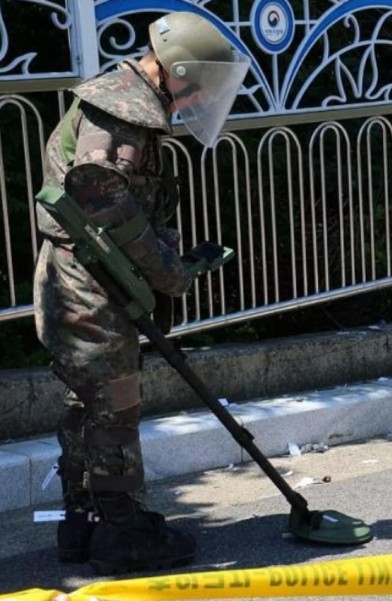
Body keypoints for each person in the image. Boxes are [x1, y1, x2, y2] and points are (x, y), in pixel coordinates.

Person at [33, 11, 248, 575]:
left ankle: (81, 524)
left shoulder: (126, 102)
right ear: (172, 69)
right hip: (89, 286)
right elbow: (99, 197)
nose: (197, 95)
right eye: (195, 82)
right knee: (114, 406)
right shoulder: (121, 112)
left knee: (90, 404)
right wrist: (169, 272)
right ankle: (122, 531)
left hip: (84, 279)